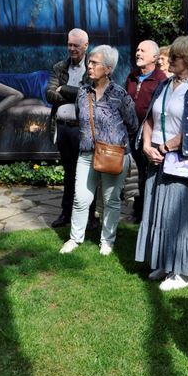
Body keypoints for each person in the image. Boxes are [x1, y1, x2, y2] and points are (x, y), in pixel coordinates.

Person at [135, 36, 188, 291]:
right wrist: (147, 146)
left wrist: (164, 147)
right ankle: (164, 261)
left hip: (180, 161)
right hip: (156, 158)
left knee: (180, 215)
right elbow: (150, 118)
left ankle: (182, 272)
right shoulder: (165, 84)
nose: (169, 60)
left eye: (176, 57)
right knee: (159, 211)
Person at [59, 45, 138, 256]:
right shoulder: (82, 92)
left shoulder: (120, 95)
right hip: (87, 154)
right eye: (90, 62)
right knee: (81, 198)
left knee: (111, 200)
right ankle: (75, 238)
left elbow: (132, 124)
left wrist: (115, 140)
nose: (89, 66)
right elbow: (81, 118)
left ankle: (107, 241)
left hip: (113, 154)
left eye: (95, 63)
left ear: (108, 68)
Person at [46, 28, 97, 230]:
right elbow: (49, 94)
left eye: (76, 45)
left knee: (87, 173)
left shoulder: (93, 67)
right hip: (63, 129)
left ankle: (90, 216)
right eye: (69, 44)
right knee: (69, 173)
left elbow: (90, 95)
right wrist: (73, 95)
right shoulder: (59, 67)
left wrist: (64, 89)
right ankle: (66, 213)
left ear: (86, 45)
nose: (72, 49)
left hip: (83, 129)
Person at [125, 40, 168, 223]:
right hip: (130, 132)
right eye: (137, 49)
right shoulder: (132, 76)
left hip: (150, 134)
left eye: (143, 51)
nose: (138, 53)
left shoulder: (161, 80)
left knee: (146, 173)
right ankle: (137, 209)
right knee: (135, 173)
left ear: (154, 57)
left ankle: (145, 212)